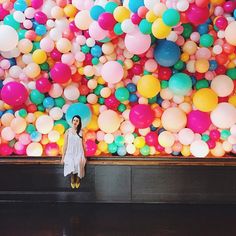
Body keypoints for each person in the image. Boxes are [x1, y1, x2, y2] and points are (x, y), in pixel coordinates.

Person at [61, 115, 86, 189]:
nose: (75, 122)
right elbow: (65, 144)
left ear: (79, 123)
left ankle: (78, 180)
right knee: (71, 163)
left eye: (77, 121)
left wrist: (84, 155)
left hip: (79, 152)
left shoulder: (81, 132)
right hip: (70, 153)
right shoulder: (68, 131)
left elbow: (83, 145)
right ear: (72, 121)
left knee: (79, 163)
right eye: (74, 120)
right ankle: (72, 179)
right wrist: (63, 157)